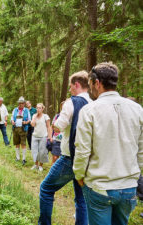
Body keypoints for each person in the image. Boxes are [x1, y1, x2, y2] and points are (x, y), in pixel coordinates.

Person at [73, 62, 143, 225]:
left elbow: (82, 150)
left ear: (97, 83)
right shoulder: (137, 109)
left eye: (90, 84)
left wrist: (79, 176)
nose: (90, 88)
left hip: (100, 187)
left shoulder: (89, 110)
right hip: (128, 187)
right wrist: (137, 175)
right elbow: (141, 150)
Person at [38, 71, 92, 225]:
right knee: (82, 199)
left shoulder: (71, 102)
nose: (69, 90)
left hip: (70, 157)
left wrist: (56, 124)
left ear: (76, 85)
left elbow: (58, 127)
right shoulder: (94, 102)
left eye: (70, 87)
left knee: (46, 189)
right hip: (88, 157)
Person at [30, 103, 52, 171]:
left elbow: (48, 127)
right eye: (37, 108)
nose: (38, 109)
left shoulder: (46, 116)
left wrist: (49, 136)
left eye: (40, 108)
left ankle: (40, 166)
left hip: (43, 136)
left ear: (42, 109)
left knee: (42, 152)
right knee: (34, 151)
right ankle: (36, 165)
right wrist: (34, 117)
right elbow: (32, 125)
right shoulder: (34, 115)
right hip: (35, 136)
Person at [11, 97, 31, 165]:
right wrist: (12, 121)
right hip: (16, 128)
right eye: (20, 103)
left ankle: (24, 159)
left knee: (23, 143)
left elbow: (29, 119)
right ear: (18, 103)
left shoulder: (26, 110)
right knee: (17, 143)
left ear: (24, 103)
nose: (21, 104)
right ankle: (17, 157)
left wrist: (25, 122)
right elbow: (11, 118)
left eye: (22, 103)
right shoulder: (15, 110)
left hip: (23, 129)